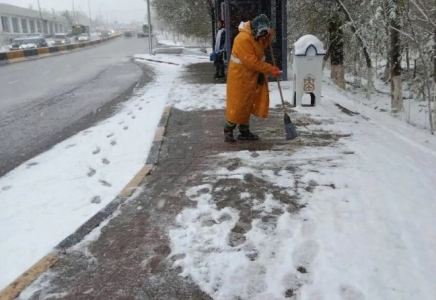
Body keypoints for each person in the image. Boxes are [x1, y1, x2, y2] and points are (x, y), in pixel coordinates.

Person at [223, 14, 280, 142]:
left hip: (251, 76)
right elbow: (252, 62)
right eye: (262, 34)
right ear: (255, 29)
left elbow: (262, 44)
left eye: (264, 34)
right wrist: (270, 69)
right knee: (238, 104)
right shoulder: (243, 39)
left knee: (248, 102)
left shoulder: (255, 36)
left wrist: (270, 35)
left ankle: (244, 130)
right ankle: (228, 129)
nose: (262, 37)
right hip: (240, 77)